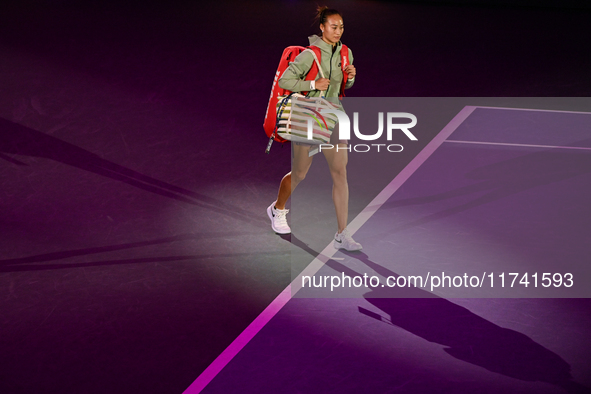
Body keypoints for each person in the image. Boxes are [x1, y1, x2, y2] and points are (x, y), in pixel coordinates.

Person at [267, 6, 362, 251]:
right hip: (310, 117)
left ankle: (342, 233)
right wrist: (312, 83)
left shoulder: (346, 53)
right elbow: (285, 80)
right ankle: (277, 209)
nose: (338, 30)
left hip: (335, 117)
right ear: (322, 27)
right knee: (299, 173)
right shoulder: (309, 54)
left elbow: (344, 87)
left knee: (340, 173)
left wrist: (350, 77)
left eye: (341, 26)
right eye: (333, 26)